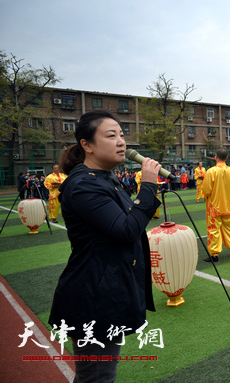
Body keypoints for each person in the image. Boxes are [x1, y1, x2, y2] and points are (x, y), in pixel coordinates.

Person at [48, 110, 160, 382]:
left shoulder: (103, 179)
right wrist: (147, 187)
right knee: (96, 377)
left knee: (100, 375)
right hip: (93, 297)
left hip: (107, 290)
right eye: (111, 136)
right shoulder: (83, 185)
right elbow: (126, 230)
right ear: (87, 145)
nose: (121, 141)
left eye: (122, 135)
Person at [201, 149, 230, 262]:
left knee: (213, 229)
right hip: (228, 205)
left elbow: (206, 189)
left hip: (214, 205)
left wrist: (206, 197)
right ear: (227, 157)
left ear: (216, 156)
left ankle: (214, 254)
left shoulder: (211, 171)